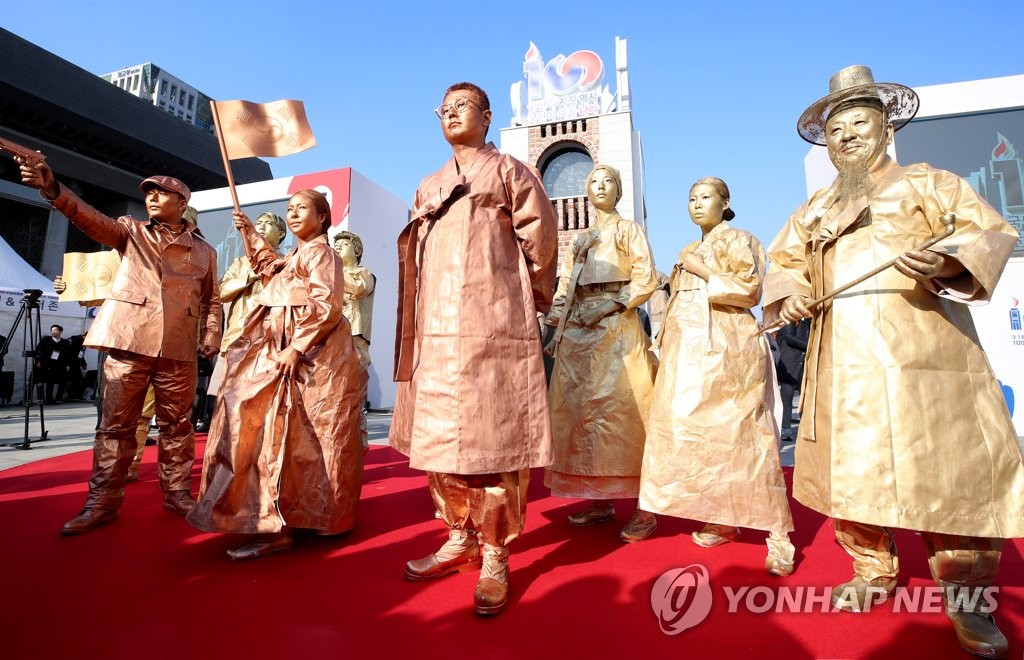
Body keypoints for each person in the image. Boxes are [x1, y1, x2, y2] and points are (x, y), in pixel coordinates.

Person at [764, 65, 1024, 658]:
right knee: (852, 467)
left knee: (953, 471)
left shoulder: (928, 184)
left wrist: (949, 260)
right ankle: (872, 568)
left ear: (885, 129)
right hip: (845, 359)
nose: (848, 135)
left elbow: (985, 231)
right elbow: (784, 264)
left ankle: (968, 600)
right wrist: (792, 291)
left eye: (860, 122)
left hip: (926, 352)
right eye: (836, 129)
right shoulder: (816, 207)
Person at [390, 82, 557, 616]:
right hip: (436, 333)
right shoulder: (429, 184)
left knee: (494, 444)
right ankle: (457, 534)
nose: (452, 113)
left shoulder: (509, 171)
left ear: (487, 117)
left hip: (493, 327)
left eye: (463, 105)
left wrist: (528, 303)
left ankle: (493, 553)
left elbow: (541, 241)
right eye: (444, 107)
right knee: (440, 444)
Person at [18, 157, 221, 535]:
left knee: (178, 426)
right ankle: (102, 501)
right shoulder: (131, 231)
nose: (153, 198)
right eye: (149, 193)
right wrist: (53, 189)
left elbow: (213, 301)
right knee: (114, 427)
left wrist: (211, 334)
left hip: (178, 347)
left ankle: (178, 492)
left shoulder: (205, 251)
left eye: (163, 193)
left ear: (183, 202)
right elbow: (90, 218)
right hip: (130, 339)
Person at [187, 190, 364, 560]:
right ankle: (267, 515)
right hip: (278, 347)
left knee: (292, 435)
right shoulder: (296, 255)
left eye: (302, 208)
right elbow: (270, 266)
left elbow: (326, 304)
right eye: (290, 209)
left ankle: (280, 523)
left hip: (307, 354)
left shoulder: (323, 254)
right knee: (260, 425)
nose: (294, 213)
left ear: (323, 216)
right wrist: (250, 232)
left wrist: (297, 347)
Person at [637, 177, 795, 577]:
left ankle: (778, 532)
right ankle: (721, 517)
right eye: (690, 198)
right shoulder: (687, 248)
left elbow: (750, 290)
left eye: (705, 197)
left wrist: (704, 270)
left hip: (728, 348)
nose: (696, 204)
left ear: (725, 203)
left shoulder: (741, 239)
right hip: (684, 354)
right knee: (688, 434)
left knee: (744, 434)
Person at [544, 164, 659, 540]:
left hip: (617, 326)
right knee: (581, 413)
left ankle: (645, 506)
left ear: (619, 190)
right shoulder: (581, 238)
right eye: (594, 181)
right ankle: (599, 499)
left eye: (608, 180)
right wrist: (556, 330)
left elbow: (646, 277)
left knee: (624, 411)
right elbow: (565, 287)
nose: (600, 186)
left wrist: (611, 305)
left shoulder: (628, 230)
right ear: (587, 192)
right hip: (579, 332)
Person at [333, 230, 375, 447]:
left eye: (343, 244)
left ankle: (356, 449)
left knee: (353, 401)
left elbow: (359, 289)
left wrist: (333, 274)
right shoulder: (329, 275)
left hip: (354, 340)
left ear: (356, 250)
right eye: (336, 244)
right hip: (330, 342)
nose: (337, 247)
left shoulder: (363, 274)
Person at [774, 319, 809, 441]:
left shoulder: (807, 322)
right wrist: (810, 345)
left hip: (801, 367)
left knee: (804, 399)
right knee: (787, 399)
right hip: (788, 368)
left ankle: (804, 427)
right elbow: (790, 338)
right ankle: (786, 428)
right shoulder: (788, 321)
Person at [35, 324, 70, 404]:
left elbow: (68, 354)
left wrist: (68, 364)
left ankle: (58, 398)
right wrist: (38, 361)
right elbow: (38, 351)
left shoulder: (65, 342)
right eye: (52, 330)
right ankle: (49, 399)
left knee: (62, 381)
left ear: (60, 331)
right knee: (50, 382)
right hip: (49, 364)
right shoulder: (45, 341)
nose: (53, 332)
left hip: (61, 364)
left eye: (55, 330)